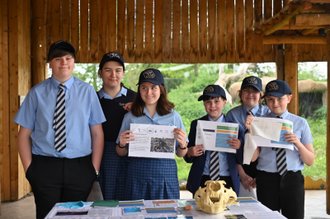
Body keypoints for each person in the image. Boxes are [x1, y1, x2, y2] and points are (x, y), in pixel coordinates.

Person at [13, 40, 106, 219]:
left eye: (68, 58)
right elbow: (23, 135)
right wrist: (29, 170)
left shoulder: (87, 92)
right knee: (47, 216)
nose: (63, 62)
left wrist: (93, 169)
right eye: (58, 58)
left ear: (73, 62)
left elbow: (97, 133)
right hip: (44, 168)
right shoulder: (36, 93)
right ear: (50, 63)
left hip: (80, 168)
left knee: (75, 216)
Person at [245, 79, 314, 219]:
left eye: (280, 99)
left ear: (289, 98)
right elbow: (252, 158)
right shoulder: (259, 122)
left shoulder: (301, 123)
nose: (275, 104)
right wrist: (251, 132)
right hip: (266, 180)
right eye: (270, 99)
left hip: (292, 180)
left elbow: (310, 161)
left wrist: (298, 144)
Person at [116, 68, 188, 200]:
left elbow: (181, 153)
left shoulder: (173, 116)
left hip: (165, 177)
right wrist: (121, 144)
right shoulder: (130, 117)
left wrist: (183, 145)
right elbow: (121, 152)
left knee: (165, 214)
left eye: (153, 88)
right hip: (137, 177)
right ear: (139, 91)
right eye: (144, 88)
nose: (149, 92)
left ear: (161, 90)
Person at [184, 84, 244, 196]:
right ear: (203, 104)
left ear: (224, 103)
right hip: (202, 177)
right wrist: (190, 152)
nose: (212, 105)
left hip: (227, 178)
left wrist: (239, 146)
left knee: (226, 211)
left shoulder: (234, 127)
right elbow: (188, 154)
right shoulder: (196, 124)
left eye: (217, 101)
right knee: (201, 209)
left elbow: (241, 159)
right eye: (208, 102)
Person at [96, 52, 136, 200]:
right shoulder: (92, 99)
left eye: (118, 70)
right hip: (100, 153)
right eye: (108, 70)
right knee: (103, 198)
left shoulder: (136, 98)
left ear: (123, 73)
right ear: (100, 72)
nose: (113, 74)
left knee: (127, 199)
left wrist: (139, 110)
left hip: (130, 153)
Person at [226, 76, 270, 199]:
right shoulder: (232, 115)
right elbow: (230, 148)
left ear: (261, 94)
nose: (250, 94)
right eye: (246, 91)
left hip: (264, 167)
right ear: (240, 94)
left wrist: (261, 176)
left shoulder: (268, 114)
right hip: (239, 165)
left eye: (255, 91)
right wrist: (242, 174)